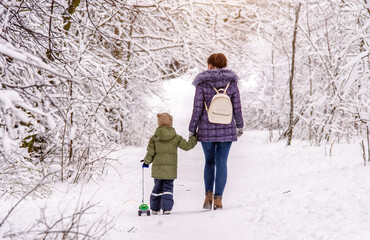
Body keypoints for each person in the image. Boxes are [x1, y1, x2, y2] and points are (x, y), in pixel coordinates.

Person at [188, 53, 244, 210]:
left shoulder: (202, 82)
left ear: (211, 65)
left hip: (206, 128)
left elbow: (197, 108)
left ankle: (208, 197)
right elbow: (237, 107)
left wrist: (192, 129)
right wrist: (239, 125)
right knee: (222, 163)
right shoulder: (231, 83)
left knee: (209, 162)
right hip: (227, 128)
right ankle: (219, 200)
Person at [143, 112, 197, 215]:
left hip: (158, 169)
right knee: (167, 188)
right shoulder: (176, 137)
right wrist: (194, 137)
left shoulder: (154, 138)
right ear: (171, 123)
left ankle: (155, 208)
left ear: (158, 123)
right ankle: (166, 209)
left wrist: (146, 162)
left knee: (157, 187)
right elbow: (187, 146)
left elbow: (150, 152)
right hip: (170, 170)